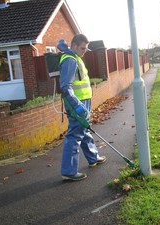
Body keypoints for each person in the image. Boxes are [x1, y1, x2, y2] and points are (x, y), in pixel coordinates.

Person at [57, 34, 106, 181]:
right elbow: (65, 87)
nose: (85, 51)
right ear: (74, 46)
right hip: (77, 103)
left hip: (83, 101)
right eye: (82, 48)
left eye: (86, 48)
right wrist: (77, 106)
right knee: (75, 134)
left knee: (84, 129)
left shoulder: (75, 57)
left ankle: (93, 157)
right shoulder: (70, 60)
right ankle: (69, 171)